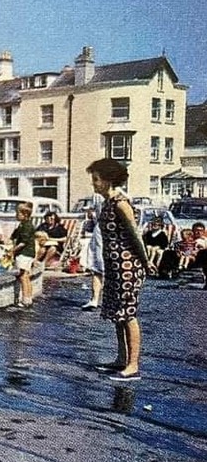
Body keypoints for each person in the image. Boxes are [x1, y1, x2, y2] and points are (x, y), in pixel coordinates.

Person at [87, 158, 154, 381]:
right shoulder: (107, 202)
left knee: (128, 314)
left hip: (127, 265)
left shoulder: (121, 204)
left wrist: (145, 262)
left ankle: (133, 365)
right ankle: (121, 359)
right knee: (118, 314)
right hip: (114, 265)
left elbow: (135, 235)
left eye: (96, 179)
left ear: (107, 180)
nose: (94, 184)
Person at [8, 202, 37, 308]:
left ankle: (25, 300)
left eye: (18, 213)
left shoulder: (27, 226)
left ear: (25, 215)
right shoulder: (23, 225)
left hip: (24, 253)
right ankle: (28, 298)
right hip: (29, 253)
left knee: (23, 276)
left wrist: (12, 250)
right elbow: (14, 235)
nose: (16, 215)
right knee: (26, 276)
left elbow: (23, 242)